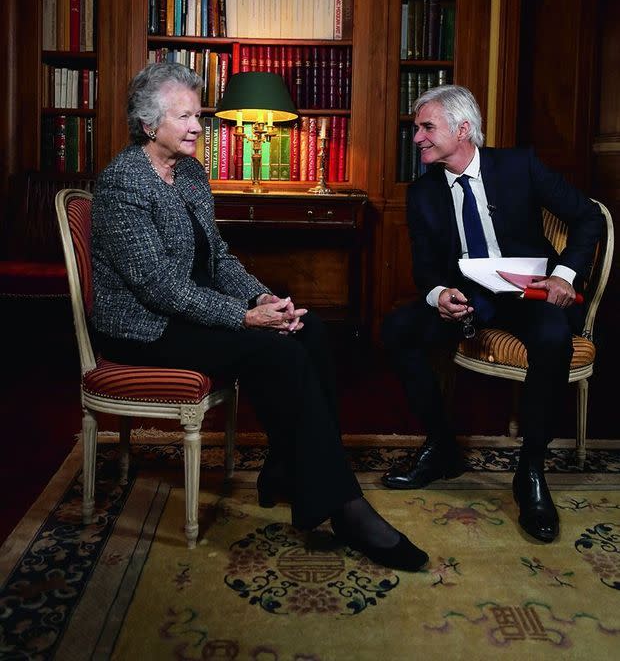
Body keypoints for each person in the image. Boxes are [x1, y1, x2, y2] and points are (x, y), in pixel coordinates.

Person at [90, 61, 427, 572]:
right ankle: (343, 506)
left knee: (307, 327)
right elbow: (157, 288)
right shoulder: (122, 185)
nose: (198, 127)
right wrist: (245, 319)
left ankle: (288, 470)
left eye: (197, 116)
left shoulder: (191, 173)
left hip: (184, 310)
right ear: (148, 125)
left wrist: (267, 302)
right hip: (142, 328)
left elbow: (218, 259)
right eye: (185, 117)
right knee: (275, 352)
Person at [381, 84, 603, 543]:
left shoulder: (518, 165)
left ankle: (531, 472)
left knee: (552, 339)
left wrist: (564, 275)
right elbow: (424, 266)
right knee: (397, 330)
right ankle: (442, 446)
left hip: (530, 295)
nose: (417, 137)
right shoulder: (422, 192)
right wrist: (439, 293)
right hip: (470, 299)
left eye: (427, 127)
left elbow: (588, 218)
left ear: (463, 130)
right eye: (416, 127)